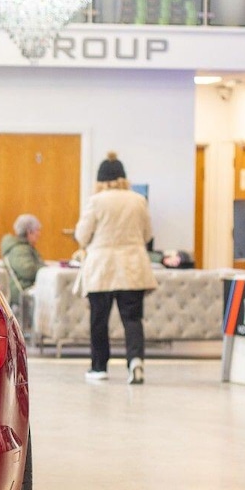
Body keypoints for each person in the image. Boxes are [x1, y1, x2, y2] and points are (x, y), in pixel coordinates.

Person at [74, 152, 156, 384]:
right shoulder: (138, 200)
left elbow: (82, 236)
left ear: (100, 180)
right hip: (133, 266)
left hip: (102, 268)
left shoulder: (96, 201)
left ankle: (99, 367)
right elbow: (148, 234)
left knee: (99, 320)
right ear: (123, 178)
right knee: (132, 318)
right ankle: (135, 361)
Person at [0, 214, 45, 304]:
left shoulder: (22, 247)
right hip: (22, 293)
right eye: (37, 230)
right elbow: (28, 271)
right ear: (29, 232)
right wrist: (45, 269)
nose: (39, 234)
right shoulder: (19, 249)